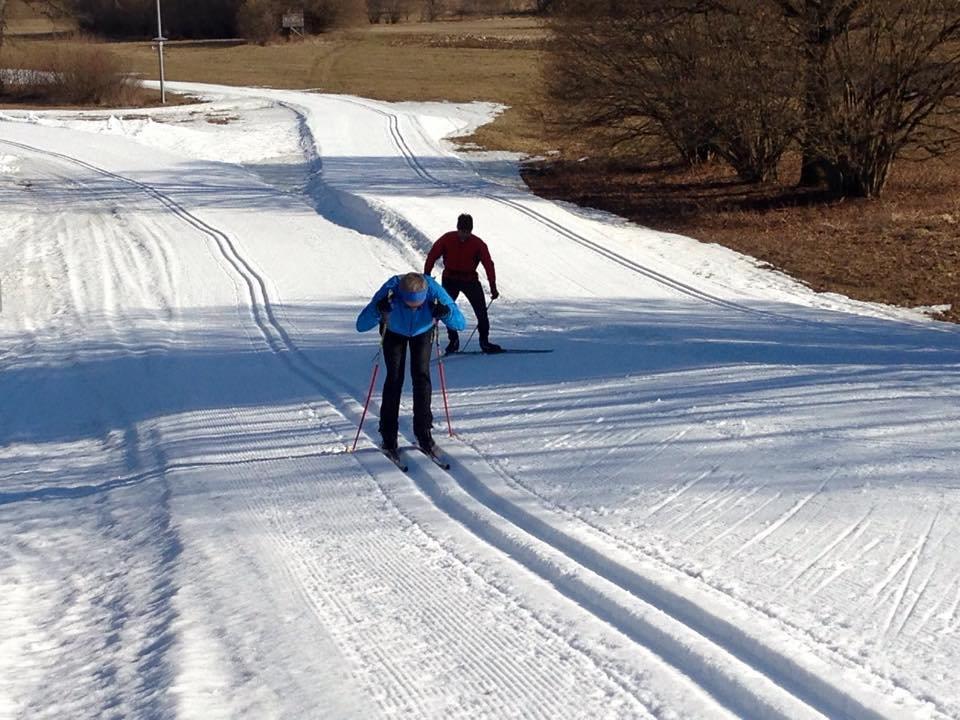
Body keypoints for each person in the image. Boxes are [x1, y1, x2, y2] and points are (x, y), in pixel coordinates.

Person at [356, 272, 465, 454]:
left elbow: (460, 323)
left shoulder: (433, 289)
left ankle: (423, 432)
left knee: (422, 377)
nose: (414, 309)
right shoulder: (391, 288)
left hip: (422, 331)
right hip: (394, 331)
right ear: (401, 294)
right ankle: (388, 435)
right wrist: (378, 310)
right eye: (409, 305)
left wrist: (446, 313)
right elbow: (361, 325)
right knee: (394, 379)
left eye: (418, 305)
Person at [424, 213, 502, 354]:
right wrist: (427, 276)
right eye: (462, 231)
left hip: (470, 279)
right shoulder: (447, 239)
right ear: (457, 228)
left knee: (481, 312)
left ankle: (484, 341)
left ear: (471, 230)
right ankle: (453, 340)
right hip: (450, 279)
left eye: (467, 232)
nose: (464, 235)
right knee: (446, 310)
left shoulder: (478, 244)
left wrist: (493, 286)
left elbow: (488, 264)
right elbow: (432, 255)